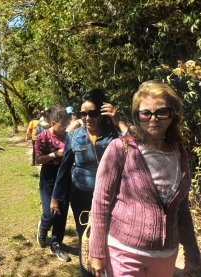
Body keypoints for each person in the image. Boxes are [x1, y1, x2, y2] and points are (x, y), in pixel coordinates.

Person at [89, 81, 201, 277]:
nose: (153, 119)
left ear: (173, 114)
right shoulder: (120, 148)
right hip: (124, 252)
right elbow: (101, 201)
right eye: (145, 113)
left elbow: (182, 210)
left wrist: (192, 253)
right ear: (137, 116)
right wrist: (97, 251)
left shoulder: (180, 155)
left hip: (166, 256)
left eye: (161, 112)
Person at [50, 89, 128, 277]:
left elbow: (138, 144)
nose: (87, 118)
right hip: (82, 196)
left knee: (112, 238)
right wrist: (56, 196)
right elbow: (64, 168)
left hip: (113, 196)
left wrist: (118, 120)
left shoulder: (115, 133)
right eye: (82, 114)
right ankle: (87, 273)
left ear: (101, 113)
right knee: (86, 237)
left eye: (92, 113)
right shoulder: (74, 136)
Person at [35, 105, 71, 262]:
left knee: (61, 213)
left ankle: (56, 244)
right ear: (53, 122)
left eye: (66, 124)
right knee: (49, 213)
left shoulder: (69, 136)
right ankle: (43, 229)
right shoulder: (42, 137)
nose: (64, 128)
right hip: (49, 175)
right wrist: (54, 154)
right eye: (61, 124)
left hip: (64, 175)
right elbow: (38, 160)